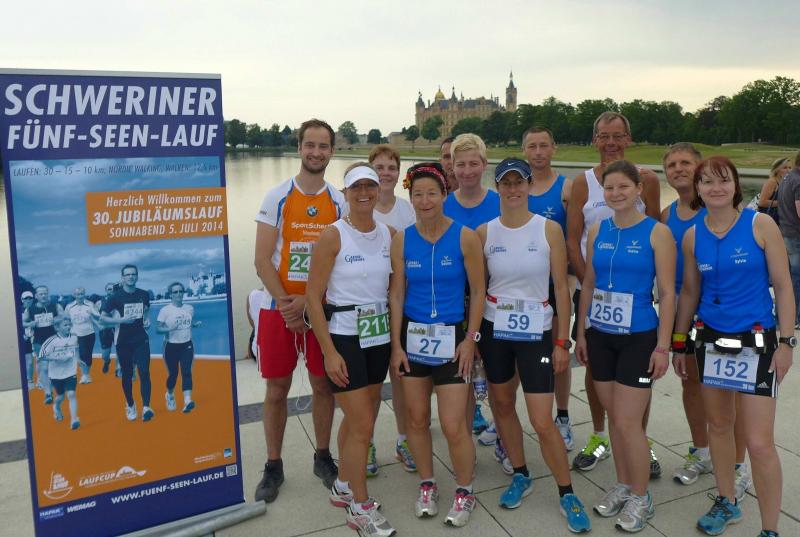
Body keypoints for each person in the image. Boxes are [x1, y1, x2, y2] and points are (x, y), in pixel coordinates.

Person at [674, 156, 793, 537]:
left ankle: (770, 529)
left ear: (736, 185)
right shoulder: (693, 236)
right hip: (710, 341)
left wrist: (787, 342)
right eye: (707, 182)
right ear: (698, 189)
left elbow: (783, 285)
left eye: (723, 180)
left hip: (756, 343)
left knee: (758, 442)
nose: (716, 188)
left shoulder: (760, 225)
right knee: (720, 427)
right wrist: (679, 343)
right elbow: (690, 292)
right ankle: (726, 500)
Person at [476, 158, 591, 533]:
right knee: (503, 405)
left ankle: (567, 492)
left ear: (528, 185)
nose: (513, 189)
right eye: (506, 183)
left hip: (537, 331)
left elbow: (561, 288)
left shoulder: (548, 229)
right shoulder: (484, 232)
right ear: (498, 188)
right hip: (495, 330)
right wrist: (473, 337)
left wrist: (562, 340)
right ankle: (521, 472)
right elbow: (478, 289)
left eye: (519, 182)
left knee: (542, 419)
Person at [575, 160, 675, 533]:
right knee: (615, 419)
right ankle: (623, 483)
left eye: (623, 187)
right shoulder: (598, 229)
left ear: (638, 190)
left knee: (628, 421)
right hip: (600, 336)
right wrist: (581, 333)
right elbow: (588, 284)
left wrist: (663, 347)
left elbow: (668, 294)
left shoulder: (657, 232)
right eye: (609, 188)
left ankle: (642, 497)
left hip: (639, 336)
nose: (615, 194)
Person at [566, 111, 662, 476]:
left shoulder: (647, 180)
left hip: (635, 298)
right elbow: (573, 239)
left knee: (638, 372)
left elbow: (656, 230)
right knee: (596, 367)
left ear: (628, 139)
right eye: (604, 136)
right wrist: (590, 284)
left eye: (618, 136)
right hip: (594, 293)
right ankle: (599, 435)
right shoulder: (583, 182)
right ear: (594, 140)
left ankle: (639, 438)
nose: (611, 142)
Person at [389, 162, 485, 527]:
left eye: (432, 193)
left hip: (453, 339)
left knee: (453, 424)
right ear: (410, 198)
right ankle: (427, 483)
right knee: (416, 419)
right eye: (418, 194)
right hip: (413, 338)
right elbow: (397, 294)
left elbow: (478, 292)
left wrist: (471, 339)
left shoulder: (465, 237)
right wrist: (396, 346)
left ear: (445, 195)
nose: (425, 200)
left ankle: (465, 489)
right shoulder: (402, 239)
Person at [253, 119, 343, 503]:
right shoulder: (277, 196)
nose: (316, 152)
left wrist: (308, 301)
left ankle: (322, 456)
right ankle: (273, 465)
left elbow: (341, 261)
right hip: (279, 308)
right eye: (310, 145)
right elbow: (261, 260)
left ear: (332, 151)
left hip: (319, 307)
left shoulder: (338, 201)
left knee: (323, 385)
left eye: (323, 146)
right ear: (299, 148)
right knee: (277, 389)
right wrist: (287, 304)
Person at [306, 163, 396, 537]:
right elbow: (313, 298)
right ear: (345, 193)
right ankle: (360, 506)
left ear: (378, 190)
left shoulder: (389, 234)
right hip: (344, 337)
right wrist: (328, 352)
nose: (364, 193)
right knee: (362, 425)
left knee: (361, 417)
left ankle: (343, 485)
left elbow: (393, 289)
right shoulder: (333, 235)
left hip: (378, 335)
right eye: (356, 187)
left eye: (369, 186)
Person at [442, 133, 507, 471]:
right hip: (456, 305)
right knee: (462, 380)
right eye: (460, 164)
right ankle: (463, 445)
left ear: (484, 164)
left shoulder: (500, 202)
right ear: (451, 167)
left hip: (494, 301)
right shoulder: (442, 205)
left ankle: (505, 438)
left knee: (498, 380)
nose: (467, 171)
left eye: (473, 164)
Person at [522, 126, 575, 451]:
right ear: (524, 151)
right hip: (523, 289)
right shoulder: (516, 186)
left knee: (559, 352)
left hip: (554, 286)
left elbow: (575, 237)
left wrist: (570, 279)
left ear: (553, 148)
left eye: (544, 145)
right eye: (532, 146)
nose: (538, 152)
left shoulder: (566, 187)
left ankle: (563, 415)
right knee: (520, 355)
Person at [367, 145, 416, 475]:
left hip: (400, 305)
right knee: (371, 384)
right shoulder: (355, 206)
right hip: (367, 309)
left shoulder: (407, 210)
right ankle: (367, 443)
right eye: (379, 167)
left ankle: (403, 440)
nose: (385, 173)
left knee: (400, 379)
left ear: (399, 174)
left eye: (391, 168)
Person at [100, 264, 154, 422]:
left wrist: (146, 320)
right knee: (127, 374)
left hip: (141, 339)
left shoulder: (144, 294)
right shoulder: (114, 297)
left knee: (144, 372)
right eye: (127, 274)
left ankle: (146, 407)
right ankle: (130, 404)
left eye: (133, 274)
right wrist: (121, 320)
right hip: (123, 340)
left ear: (137, 276)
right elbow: (103, 319)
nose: (131, 277)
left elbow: (146, 310)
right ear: (122, 278)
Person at [156, 282, 201, 413]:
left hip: (187, 344)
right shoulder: (165, 311)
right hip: (170, 346)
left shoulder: (189, 308)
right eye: (175, 292)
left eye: (181, 291)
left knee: (186, 372)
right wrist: (169, 328)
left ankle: (187, 401)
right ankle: (170, 395)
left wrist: (195, 325)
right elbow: (158, 329)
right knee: (173, 375)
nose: (179, 294)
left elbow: (188, 323)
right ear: (171, 295)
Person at [23, 285, 64, 405]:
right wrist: (30, 324)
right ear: (36, 296)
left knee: (56, 366)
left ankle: (56, 386)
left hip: (55, 340)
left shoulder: (55, 306)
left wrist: (57, 320)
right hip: (39, 342)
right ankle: (48, 393)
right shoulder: (30, 309)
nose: (43, 295)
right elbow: (22, 322)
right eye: (41, 294)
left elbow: (65, 317)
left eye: (45, 293)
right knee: (44, 367)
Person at [40, 317, 80, 430]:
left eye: (69, 324)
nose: (68, 327)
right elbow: (42, 356)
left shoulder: (74, 337)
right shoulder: (51, 341)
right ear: (57, 327)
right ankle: (56, 406)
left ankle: (74, 419)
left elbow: (76, 348)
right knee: (60, 396)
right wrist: (57, 358)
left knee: (71, 394)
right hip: (56, 374)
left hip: (70, 371)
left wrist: (78, 359)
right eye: (65, 325)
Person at [776, 150, 800, 328]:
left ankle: (782, 316)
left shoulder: (787, 178)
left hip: (786, 232)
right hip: (796, 235)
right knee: (796, 278)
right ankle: (795, 318)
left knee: (789, 277)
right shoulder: (798, 181)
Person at [65, 287, 101, 384]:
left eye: (82, 294)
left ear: (84, 294)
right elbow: (66, 320)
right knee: (81, 354)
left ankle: (87, 374)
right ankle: (84, 375)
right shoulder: (69, 306)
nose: (80, 296)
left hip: (89, 333)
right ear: (74, 295)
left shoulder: (90, 304)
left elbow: (97, 315)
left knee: (87, 355)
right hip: (75, 334)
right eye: (78, 294)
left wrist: (93, 312)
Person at [757, 157, 793, 223]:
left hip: (781, 219)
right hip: (769, 219)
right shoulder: (772, 182)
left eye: (790, 168)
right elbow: (762, 202)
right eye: (785, 168)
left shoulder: (785, 181)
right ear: (777, 169)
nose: (788, 170)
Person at [96, 283, 118, 375]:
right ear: (106, 290)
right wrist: (98, 325)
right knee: (105, 355)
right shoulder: (99, 303)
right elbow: (94, 316)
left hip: (117, 329)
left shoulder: (120, 300)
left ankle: (118, 369)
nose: (111, 290)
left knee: (120, 351)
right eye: (109, 289)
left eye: (112, 289)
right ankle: (107, 361)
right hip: (105, 330)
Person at [20, 291, 35, 390]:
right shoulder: (18, 310)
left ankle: (31, 380)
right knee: (26, 362)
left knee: (31, 362)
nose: (28, 300)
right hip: (23, 339)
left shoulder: (36, 310)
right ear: (22, 300)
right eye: (26, 298)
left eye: (30, 298)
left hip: (34, 338)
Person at [246, 288, 266, 361]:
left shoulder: (251, 295)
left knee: (257, 327)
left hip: (257, 351)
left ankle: (249, 353)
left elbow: (252, 324)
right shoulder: (286, 294)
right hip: (282, 349)